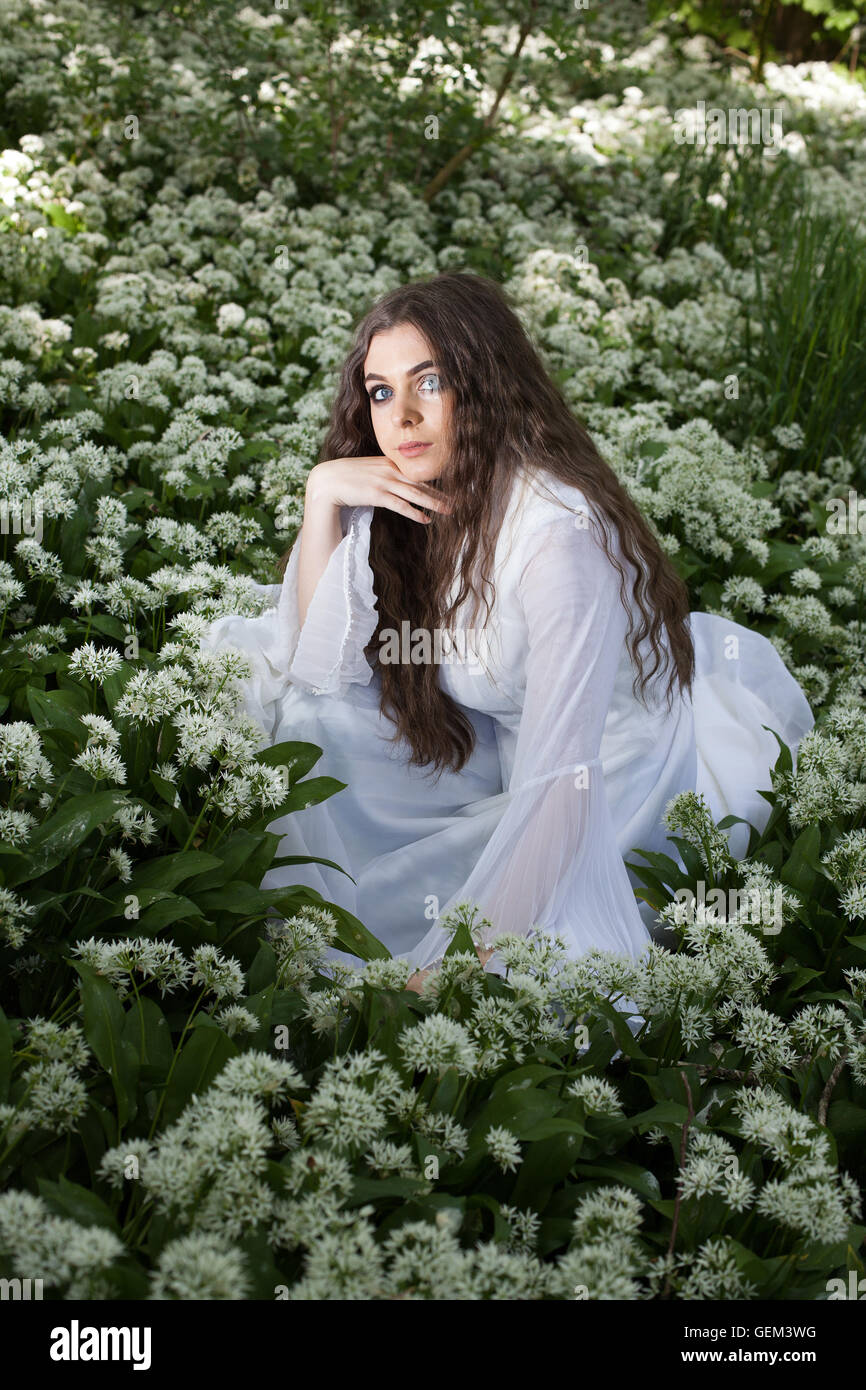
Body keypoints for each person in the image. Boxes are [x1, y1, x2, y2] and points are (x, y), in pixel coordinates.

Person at [198, 272, 814, 991]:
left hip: (612, 780)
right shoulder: (428, 485)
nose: (401, 418)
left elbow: (564, 782)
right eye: (381, 391)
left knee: (489, 956)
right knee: (307, 722)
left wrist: (464, 963)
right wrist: (325, 493)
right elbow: (314, 663)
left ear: (483, 381)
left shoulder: (559, 541)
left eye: (429, 382)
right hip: (501, 739)